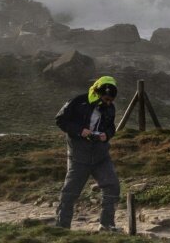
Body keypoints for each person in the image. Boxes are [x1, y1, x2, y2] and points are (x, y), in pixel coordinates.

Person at [55, 76, 120, 232]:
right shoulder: (78, 102)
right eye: (106, 99)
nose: (108, 102)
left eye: (111, 100)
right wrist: (80, 131)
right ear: (98, 92)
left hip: (101, 156)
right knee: (70, 192)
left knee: (112, 187)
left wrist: (106, 135)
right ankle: (61, 228)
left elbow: (111, 127)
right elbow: (60, 120)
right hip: (79, 156)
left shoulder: (110, 108)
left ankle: (107, 225)